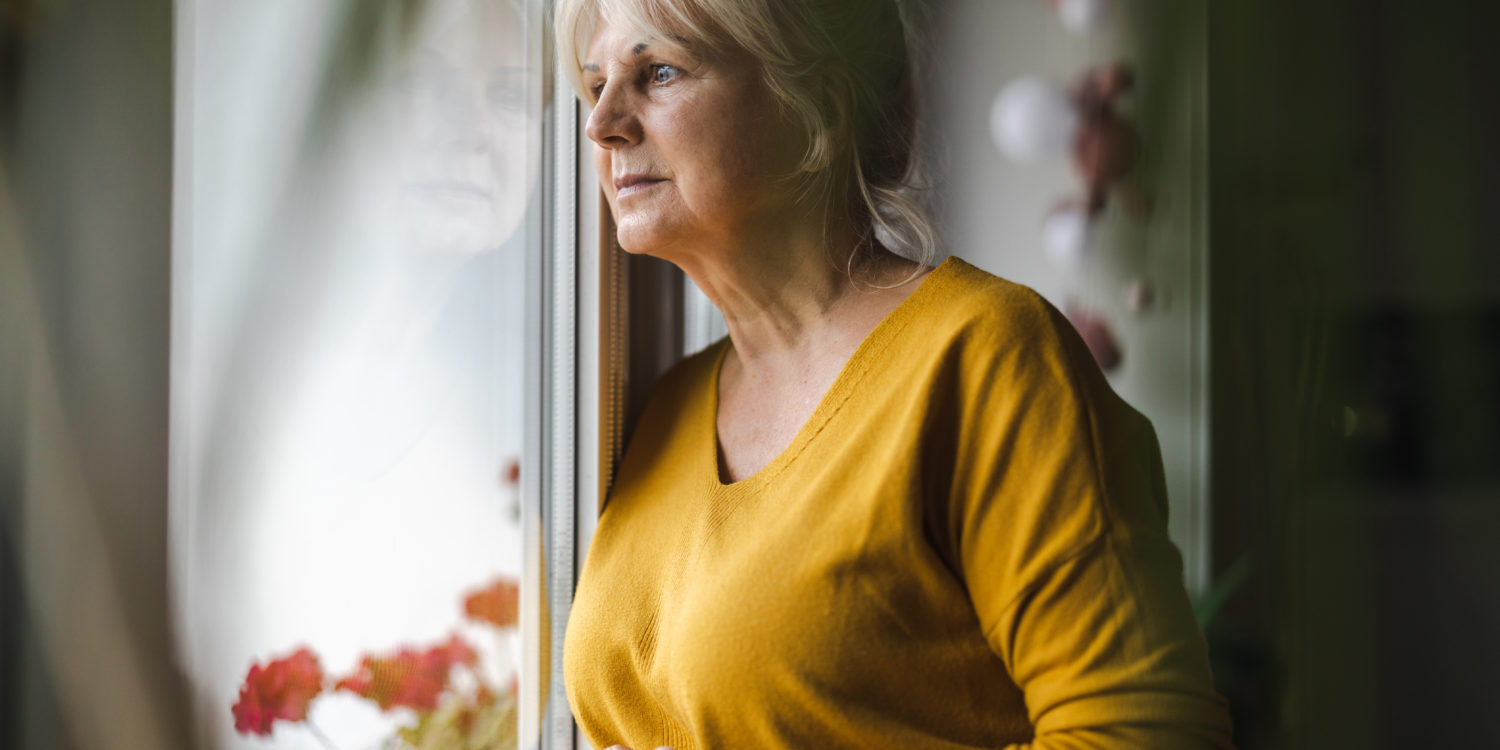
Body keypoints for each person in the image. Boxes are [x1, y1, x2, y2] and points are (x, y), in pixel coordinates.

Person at [556, 0, 1234, 747]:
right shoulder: (667, 407)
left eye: (659, 73)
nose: (602, 123)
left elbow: (1151, 734)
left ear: (820, 105)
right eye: (594, 85)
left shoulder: (986, 358)